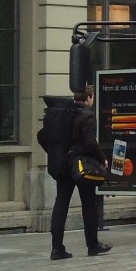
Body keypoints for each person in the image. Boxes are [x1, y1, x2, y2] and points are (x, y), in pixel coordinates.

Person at [49, 86, 112, 260]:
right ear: (89, 97)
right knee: (89, 204)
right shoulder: (88, 115)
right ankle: (93, 245)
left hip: (63, 163)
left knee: (61, 203)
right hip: (82, 166)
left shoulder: (64, 113)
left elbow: (43, 136)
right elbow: (90, 142)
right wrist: (102, 158)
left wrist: (54, 153)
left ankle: (56, 248)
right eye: (93, 97)